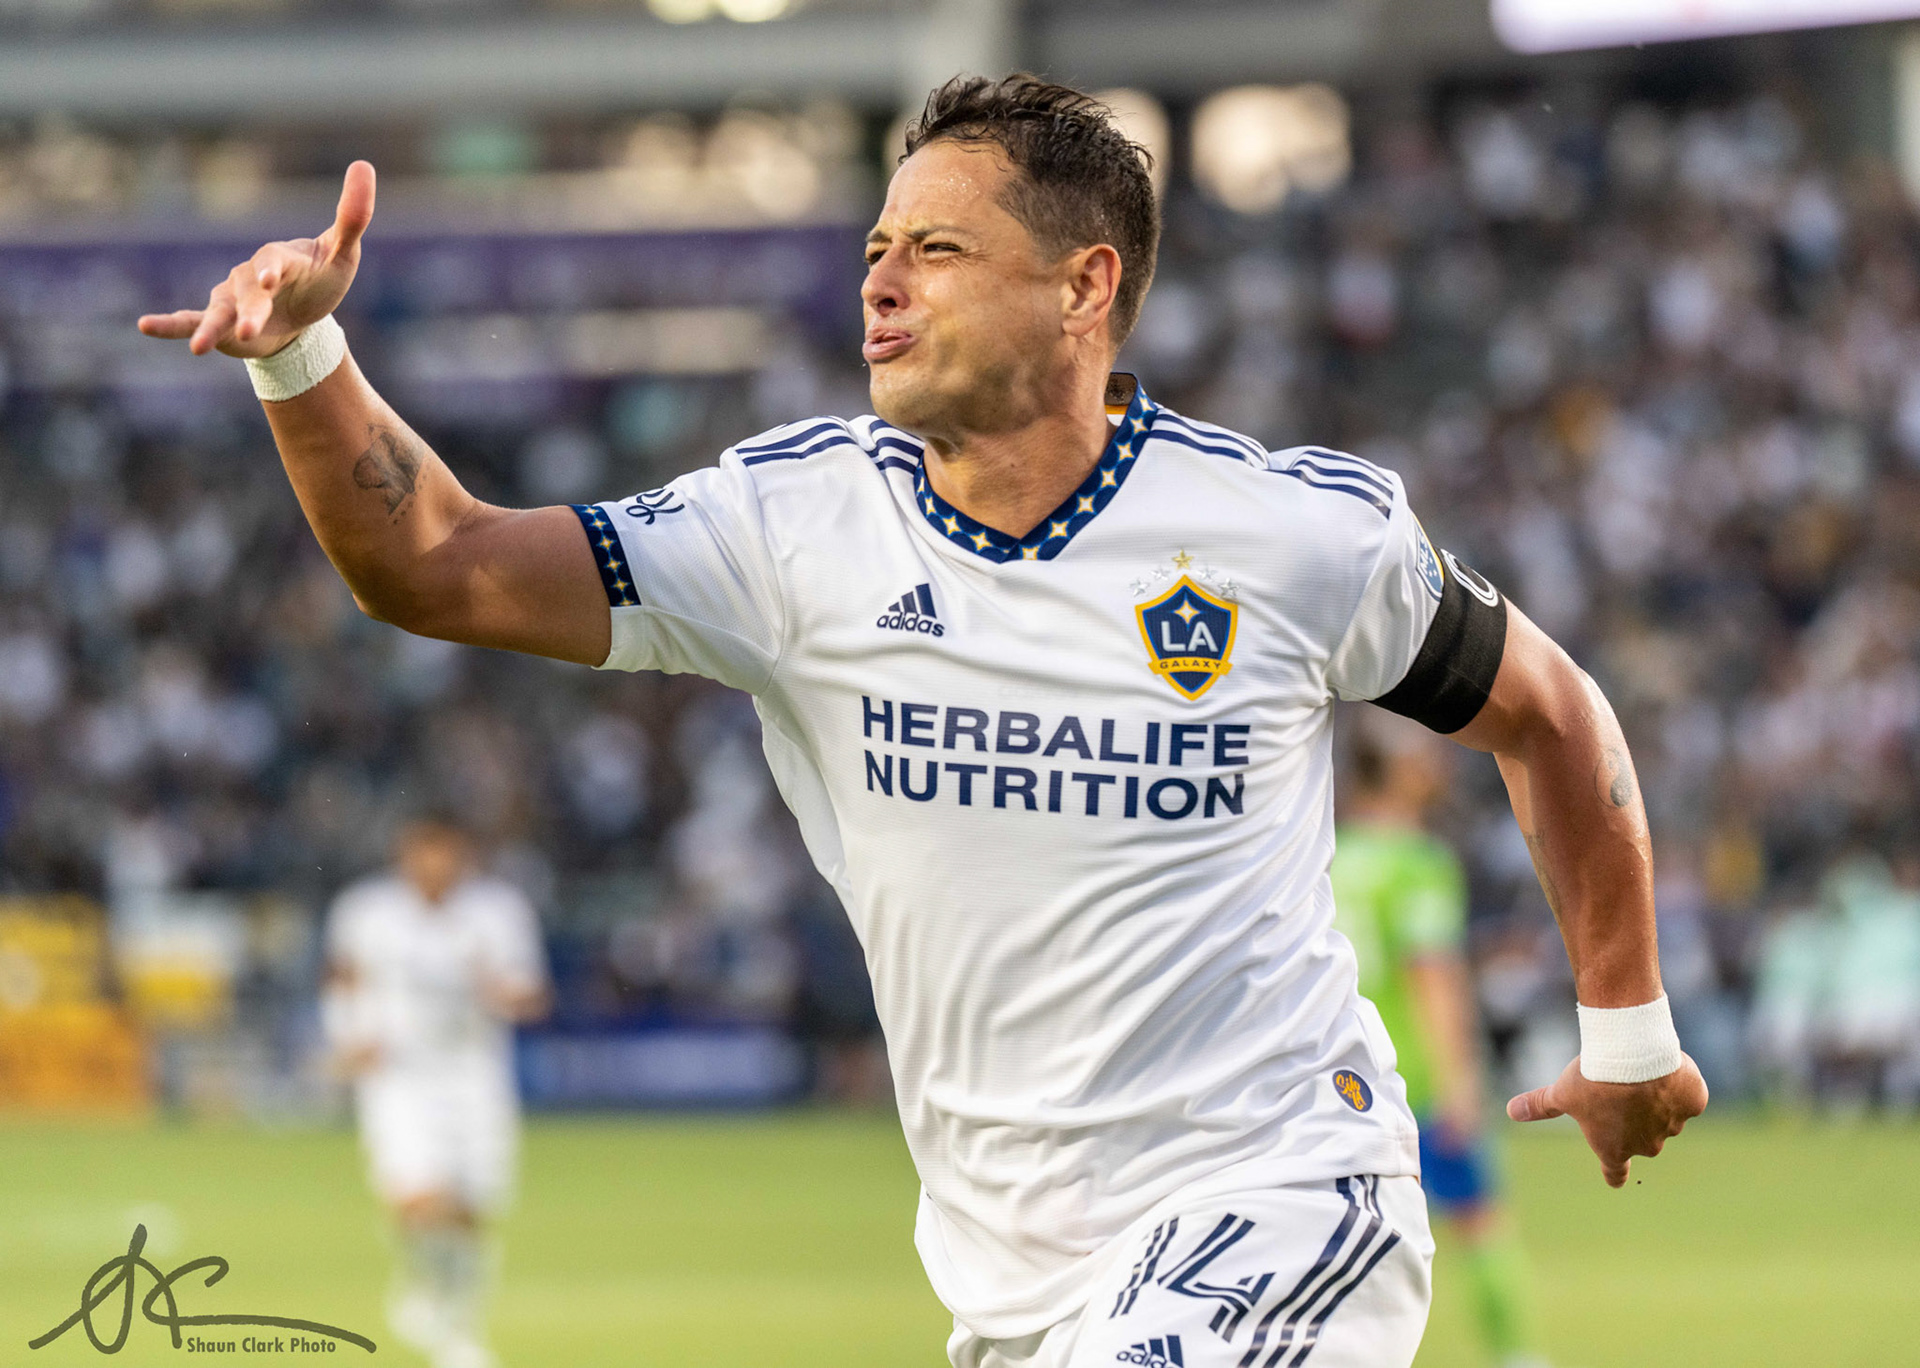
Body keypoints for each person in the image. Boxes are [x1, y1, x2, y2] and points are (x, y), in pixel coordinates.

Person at [141, 74, 1704, 1368]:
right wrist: (302, 356)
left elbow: (1551, 713)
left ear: (1085, 285)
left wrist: (1628, 1033)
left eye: (938, 250)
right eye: (879, 246)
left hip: (1283, 1189)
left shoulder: (1296, 535)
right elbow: (440, 564)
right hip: (1009, 1276)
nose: (879, 282)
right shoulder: (788, 530)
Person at [1330, 718, 1547, 1368]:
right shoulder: (1417, 862)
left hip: (1338, 1080)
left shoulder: (1327, 856)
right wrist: (1461, 1083)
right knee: (1480, 1222)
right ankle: (1517, 1358)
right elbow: (1433, 976)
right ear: (1396, 770)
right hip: (1412, 1078)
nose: (1437, 764)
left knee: (1346, 1239)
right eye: (1423, 754)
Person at [321, 815, 551, 1368]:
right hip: (398, 1074)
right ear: (405, 855)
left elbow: (532, 995)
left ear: (463, 856)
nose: (435, 866)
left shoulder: (498, 912)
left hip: (475, 1074)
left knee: (471, 1213)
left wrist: (501, 993)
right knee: (420, 1198)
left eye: (446, 854)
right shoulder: (367, 911)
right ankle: (436, 1303)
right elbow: (343, 978)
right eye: (424, 853)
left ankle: (456, 1325)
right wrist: (348, 1036)